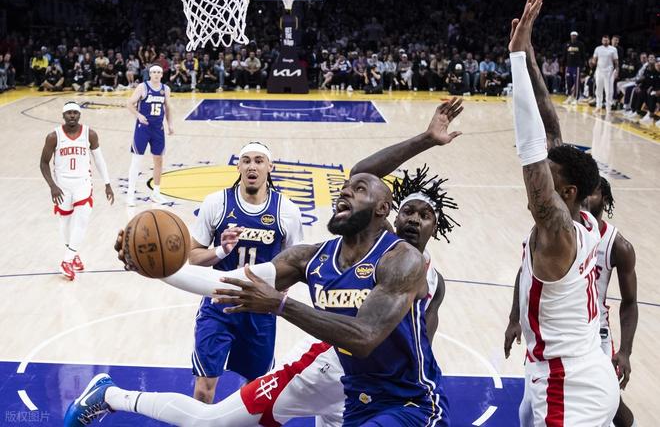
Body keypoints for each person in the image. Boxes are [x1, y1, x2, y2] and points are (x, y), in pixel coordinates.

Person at [63, 102, 465, 426]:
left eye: (357, 190)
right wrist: (157, 268)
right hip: (336, 370)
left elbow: (369, 337)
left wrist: (281, 304)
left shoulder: (404, 260)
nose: (344, 192)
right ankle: (110, 396)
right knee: (211, 419)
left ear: (382, 210)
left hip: (406, 400)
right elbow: (227, 282)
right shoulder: (312, 257)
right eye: (343, 189)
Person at [507, 0, 618, 425]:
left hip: (568, 388)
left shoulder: (557, 231)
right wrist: (528, 51)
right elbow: (551, 127)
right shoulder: (583, 217)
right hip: (585, 368)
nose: (539, 183)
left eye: (549, 180)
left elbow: (532, 148)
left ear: (567, 192)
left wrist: (516, 62)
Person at [190, 142, 303, 403]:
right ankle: (200, 420)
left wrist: (281, 288)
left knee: (257, 391)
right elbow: (193, 256)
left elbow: (296, 263)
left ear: (270, 167)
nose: (252, 166)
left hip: (260, 309)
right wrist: (221, 251)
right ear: (238, 166)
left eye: (259, 161)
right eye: (247, 160)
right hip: (219, 304)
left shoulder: (287, 210)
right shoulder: (217, 203)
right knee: (204, 387)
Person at [39, 102, 114, 281]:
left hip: (83, 184)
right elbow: (43, 163)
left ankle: (67, 261)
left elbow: (99, 160)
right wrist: (52, 186)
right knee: (65, 223)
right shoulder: (53, 136)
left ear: (79, 115)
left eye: (75, 113)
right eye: (69, 113)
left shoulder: (90, 134)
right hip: (62, 187)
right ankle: (73, 254)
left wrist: (107, 183)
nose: (72, 115)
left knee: (81, 221)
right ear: (63, 115)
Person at [586, 177, 639, 427]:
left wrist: (625, 352)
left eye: (593, 193)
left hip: (597, 333)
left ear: (605, 200)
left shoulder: (618, 246)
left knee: (609, 403)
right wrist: (515, 317)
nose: (586, 198)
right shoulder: (564, 232)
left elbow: (630, 301)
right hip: (564, 329)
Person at [125, 64, 173, 206]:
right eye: (154, 72)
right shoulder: (143, 87)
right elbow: (129, 103)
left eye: (159, 72)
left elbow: (168, 108)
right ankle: (130, 195)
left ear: (162, 74)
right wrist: (138, 115)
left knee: (159, 160)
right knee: (136, 160)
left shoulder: (166, 89)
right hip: (143, 128)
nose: (156, 74)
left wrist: (170, 124)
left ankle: (156, 193)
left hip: (158, 129)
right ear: (150, 74)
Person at [593, 35, 619, 113]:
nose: (605, 41)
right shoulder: (598, 48)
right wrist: (593, 62)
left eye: (606, 40)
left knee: (609, 91)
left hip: (609, 72)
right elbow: (594, 59)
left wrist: (617, 70)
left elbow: (616, 61)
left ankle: (608, 108)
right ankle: (598, 106)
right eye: (604, 40)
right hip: (599, 71)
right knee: (598, 90)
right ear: (602, 41)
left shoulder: (613, 49)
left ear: (609, 41)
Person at [563, 31, 585, 104]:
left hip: (577, 66)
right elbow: (564, 55)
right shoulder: (567, 44)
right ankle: (569, 96)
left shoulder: (580, 44)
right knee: (568, 81)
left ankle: (576, 98)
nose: (573, 37)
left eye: (575, 35)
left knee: (576, 82)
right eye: (572, 35)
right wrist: (563, 65)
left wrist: (583, 66)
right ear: (570, 36)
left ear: (577, 36)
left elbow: (583, 55)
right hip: (568, 66)